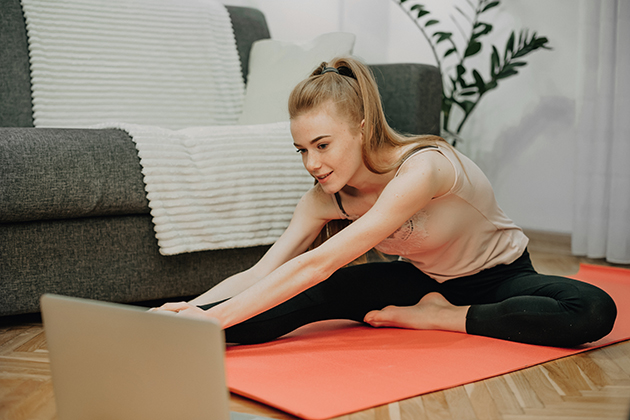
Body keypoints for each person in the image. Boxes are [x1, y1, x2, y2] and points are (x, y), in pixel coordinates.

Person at [153, 56, 617, 348]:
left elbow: (320, 262)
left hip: (500, 279)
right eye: (302, 150)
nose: (311, 163)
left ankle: (444, 319)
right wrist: (195, 313)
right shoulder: (323, 200)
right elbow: (262, 273)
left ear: (360, 128)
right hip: (419, 279)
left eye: (322, 144)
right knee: (286, 301)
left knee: (592, 311)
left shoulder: (424, 168)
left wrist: (208, 319)